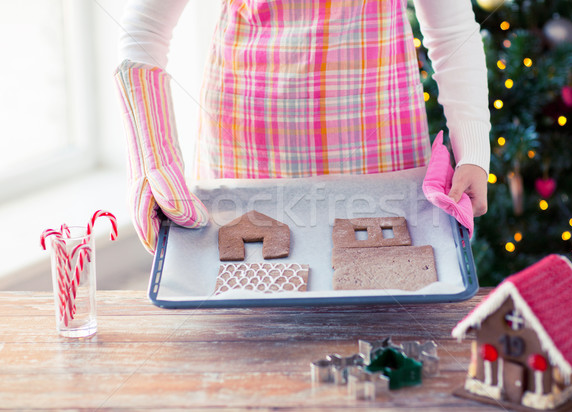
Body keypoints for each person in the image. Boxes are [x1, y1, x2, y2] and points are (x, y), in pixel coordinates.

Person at [115, 0, 490, 253]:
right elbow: (144, 30)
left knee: (383, 311)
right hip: (245, 151)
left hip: (378, 145)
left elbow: (451, 31)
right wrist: (152, 157)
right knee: (248, 314)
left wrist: (473, 150)